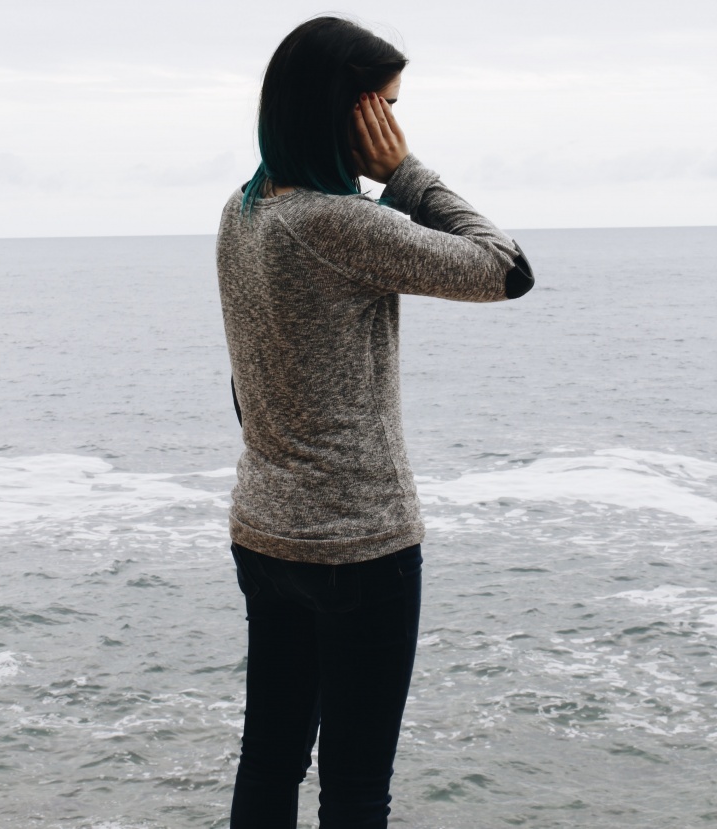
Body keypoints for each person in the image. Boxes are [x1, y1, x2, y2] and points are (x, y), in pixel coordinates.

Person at [216, 15, 534, 829]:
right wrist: (405, 171)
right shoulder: (339, 224)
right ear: (351, 115)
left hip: (265, 529)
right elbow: (506, 270)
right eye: (386, 109)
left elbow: (247, 386)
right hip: (359, 547)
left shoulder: (243, 213)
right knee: (356, 787)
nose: (394, 126)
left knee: (271, 756)